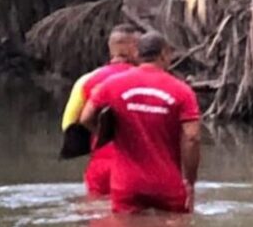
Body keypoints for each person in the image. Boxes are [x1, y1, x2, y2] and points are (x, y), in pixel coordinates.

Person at [80, 32, 201, 214]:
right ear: (164, 55)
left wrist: (109, 135)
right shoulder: (182, 91)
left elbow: (85, 117)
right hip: (168, 185)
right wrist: (190, 182)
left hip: (126, 184)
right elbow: (192, 138)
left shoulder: (112, 84)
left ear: (137, 54)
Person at [60, 23, 141, 195]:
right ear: (134, 49)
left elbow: (68, 124)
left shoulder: (86, 80)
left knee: (96, 215)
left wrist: (101, 133)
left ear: (111, 50)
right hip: (137, 165)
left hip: (100, 165)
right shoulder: (149, 80)